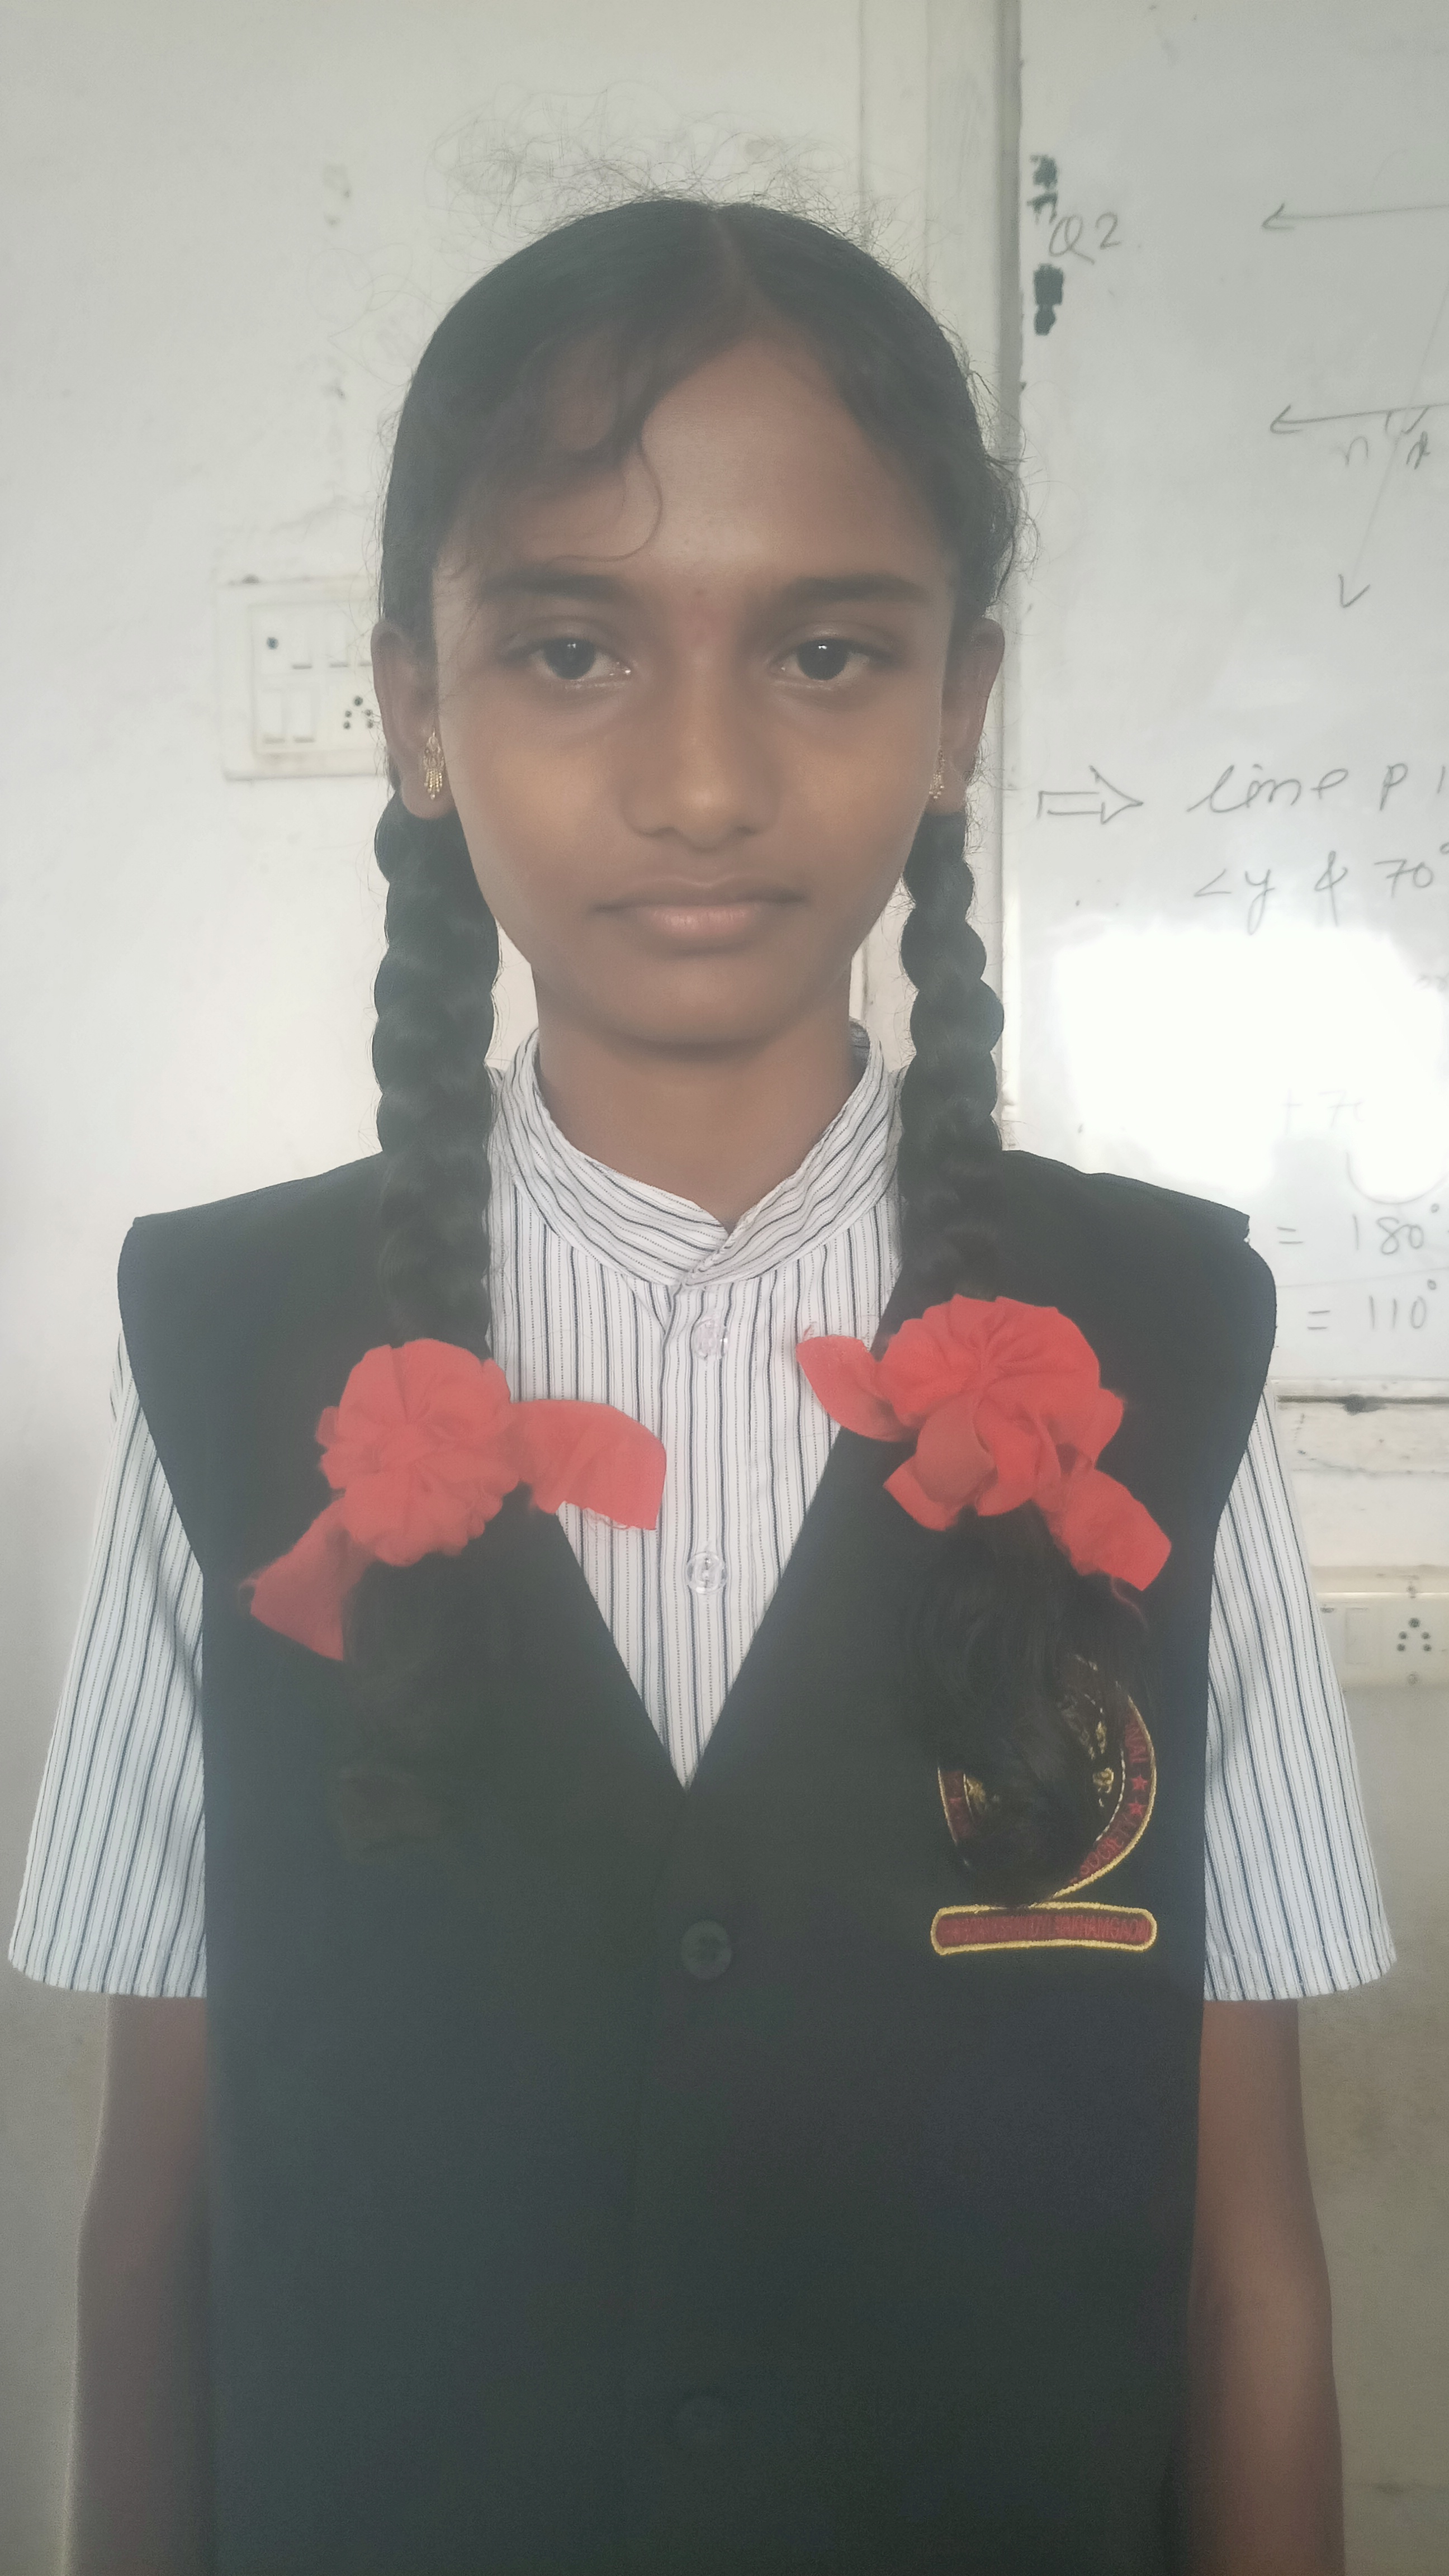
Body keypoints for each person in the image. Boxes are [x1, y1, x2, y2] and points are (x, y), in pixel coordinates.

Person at [11, 197, 1395, 2576]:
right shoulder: (222, 1349)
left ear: (960, 710)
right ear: (415, 712)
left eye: (827, 653)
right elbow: (160, 2233)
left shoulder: (1165, 1344)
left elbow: (1246, 2263)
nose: (704, 778)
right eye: (571, 650)